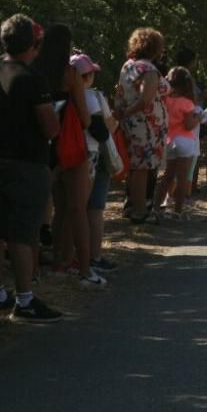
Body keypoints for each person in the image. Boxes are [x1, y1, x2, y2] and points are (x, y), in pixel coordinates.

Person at [0, 15, 65, 322]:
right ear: (33, 43)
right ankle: (25, 300)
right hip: (28, 162)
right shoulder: (32, 79)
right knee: (22, 232)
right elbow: (50, 127)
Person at [34, 25, 104, 289]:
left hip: (43, 146)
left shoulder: (34, 72)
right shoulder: (70, 73)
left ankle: (55, 262)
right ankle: (84, 268)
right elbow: (85, 117)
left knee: (52, 206)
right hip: (70, 145)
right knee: (76, 208)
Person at [116, 28, 171, 224]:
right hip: (145, 128)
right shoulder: (148, 70)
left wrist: (122, 115)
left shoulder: (128, 66)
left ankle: (132, 206)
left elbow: (122, 95)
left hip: (134, 125)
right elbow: (146, 100)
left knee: (135, 168)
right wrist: (129, 113)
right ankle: (140, 211)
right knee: (142, 168)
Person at [72, 53, 119, 272]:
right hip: (93, 154)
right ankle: (93, 257)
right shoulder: (93, 98)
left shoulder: (63, 96)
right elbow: (106, 129)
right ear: (87, 76)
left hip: (69, 154)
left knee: (72, 207)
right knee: (94, 208)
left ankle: (73, 255)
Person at [162, 67, 202, 219]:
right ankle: (178, 210)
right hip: (184, 141)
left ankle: (158, 206)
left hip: (169, 140)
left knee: (167, 176)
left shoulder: (165, 100)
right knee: (182, 177)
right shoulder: (187, 103)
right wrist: (197, 117)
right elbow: (188, 125)